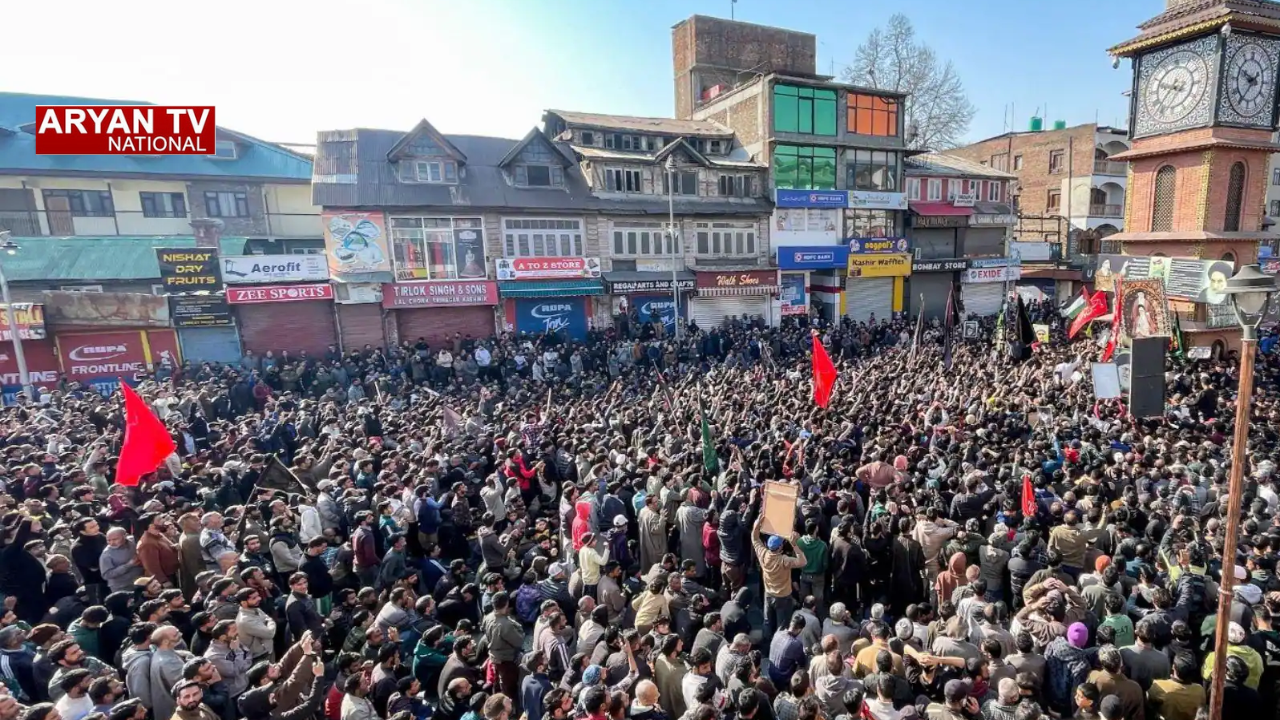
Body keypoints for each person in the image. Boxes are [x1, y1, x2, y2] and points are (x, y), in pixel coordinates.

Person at [751, 515, 806, 640]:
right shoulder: (784, 560)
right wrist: (794, 545)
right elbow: (802, 562)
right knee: (782, 625)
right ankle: (779, 643)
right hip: (783, 597)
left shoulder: (763, 554)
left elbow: (754, 538)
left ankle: (766, 644)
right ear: (780, 547)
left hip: (768, 594)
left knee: (767, 621)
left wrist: (757, 525)